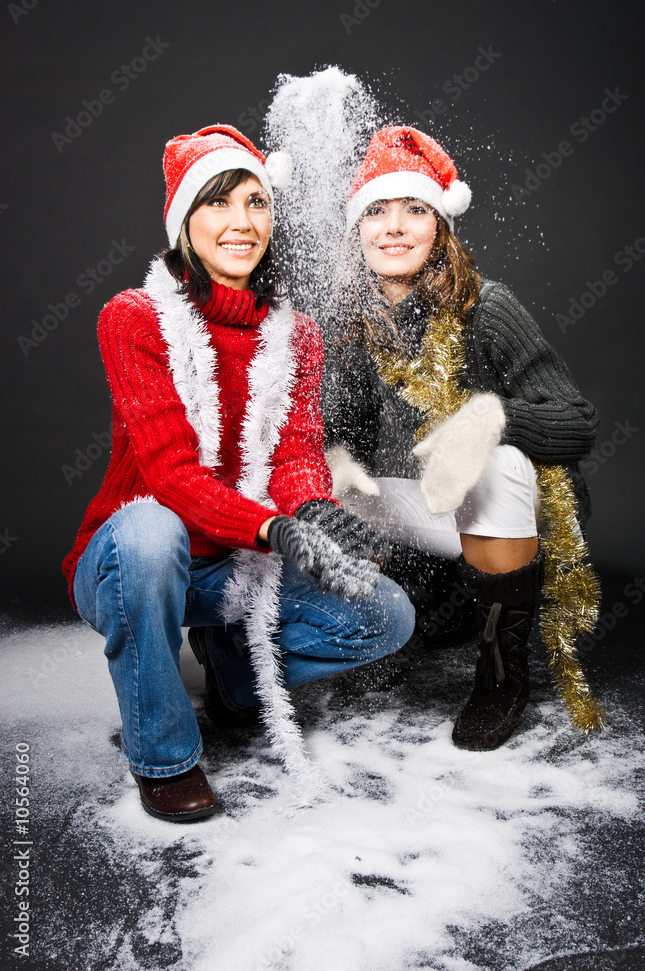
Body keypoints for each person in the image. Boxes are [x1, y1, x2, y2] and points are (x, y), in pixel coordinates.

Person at [62, 125, 414, 822]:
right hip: (131, 561)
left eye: (255, 203)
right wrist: (275, 528)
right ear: (185, 224)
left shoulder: (296, 334)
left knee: (385, 615)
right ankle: (163, 754)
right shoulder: (133, 319)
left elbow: (293, 456)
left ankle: (232, 674)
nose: (240, 223)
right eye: (217, 205)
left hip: (234, 563)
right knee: (151, 531)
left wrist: (312, 511)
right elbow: (169, 474)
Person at [322, 125, 603, 752]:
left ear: (440, 227)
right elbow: (335, 431)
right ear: (358, 230)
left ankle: (502, 677)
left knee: (498, 462)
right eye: (377, 211)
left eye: (414, 209)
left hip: (514, 513)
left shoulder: (487, 307)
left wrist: (491, 420)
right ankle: (384, 632)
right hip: (430, 511)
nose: (394, 227)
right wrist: (336, 462)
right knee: (319, 488)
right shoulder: (351, 323)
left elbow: (579, 422)